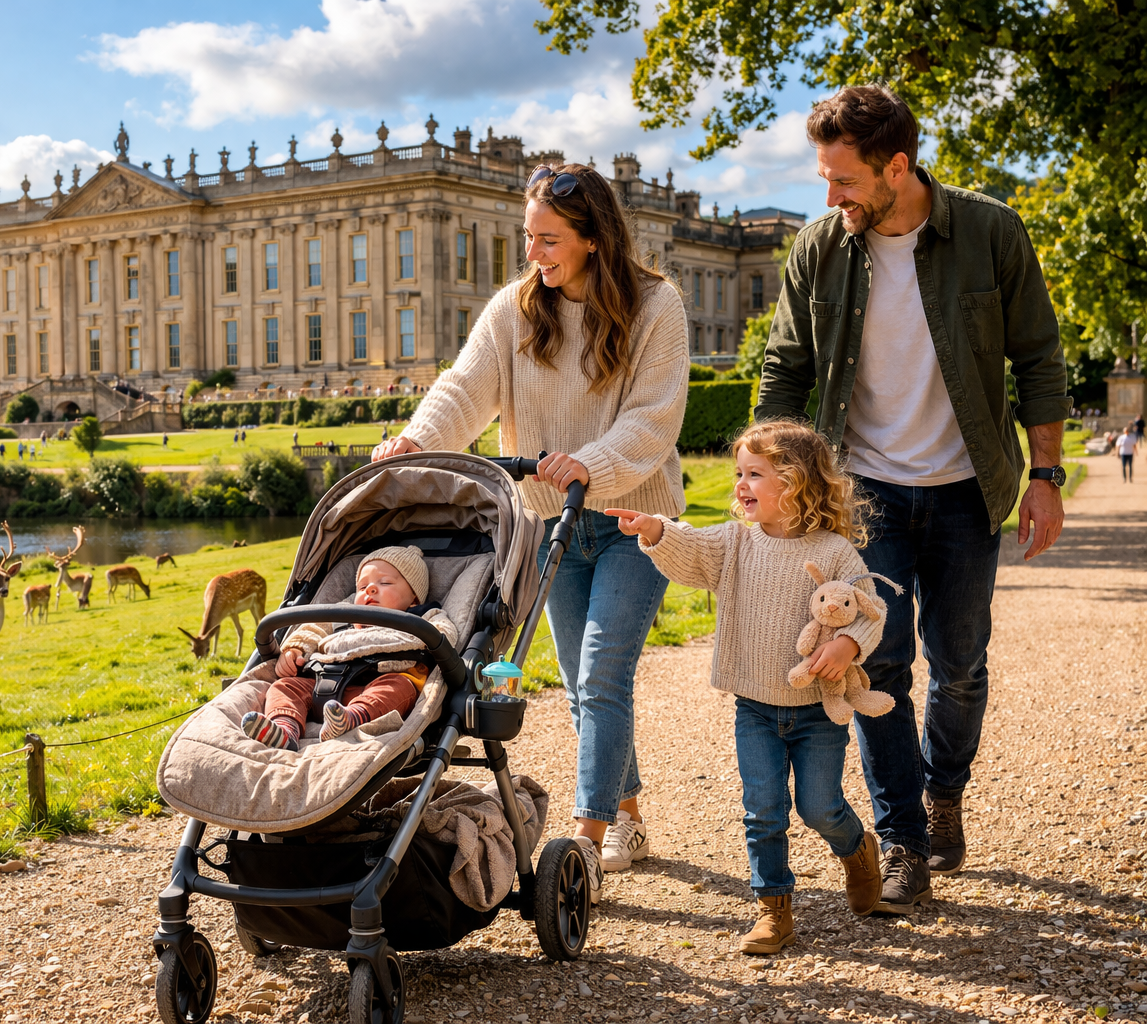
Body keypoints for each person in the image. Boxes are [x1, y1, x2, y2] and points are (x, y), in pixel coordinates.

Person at [755, 85, 1070, 911]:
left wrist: (1044, 477)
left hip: (969, 487)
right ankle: (902, 839)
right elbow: (786, 365)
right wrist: (765, 474)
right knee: (877, 659)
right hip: (866, 496)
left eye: (845, 181)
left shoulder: (992, 230)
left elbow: (1039, 357)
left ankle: (945, 794)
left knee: (960, 665)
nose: (831, 198)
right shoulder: (819, 246)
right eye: (825, 179)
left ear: (898, 167)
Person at [371, 161, 688, 901]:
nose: (533, 254)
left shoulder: (655, 305)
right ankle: (632, 812)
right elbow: (465, 386)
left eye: (547, 239)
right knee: (583, 688)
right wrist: (416, 440)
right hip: (549, 523)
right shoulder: (516, 309)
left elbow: (653, 417)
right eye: (528, 238)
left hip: (633, 518)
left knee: (603, 674)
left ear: (592, 239)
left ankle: (588, 835)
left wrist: (591, 464)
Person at [611, 420, 889, 952]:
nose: (740, 483)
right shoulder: (737, 541)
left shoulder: (833, 551)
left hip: (816, 709)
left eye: (754, 474)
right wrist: (655, 531)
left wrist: (847, 645)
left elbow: (869, 610)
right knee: (762, 809)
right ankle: (772, 908)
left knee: (818, 807)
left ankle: (857, 850)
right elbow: (691, 550)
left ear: (797, 483)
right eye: (739, 472)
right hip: (755, 709)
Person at [241, 547, 457, 749]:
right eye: (363, 587)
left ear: (414, 598)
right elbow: (313, 627)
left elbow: (446, 634)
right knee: (284, 687)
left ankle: (351, 719)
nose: (371, 589)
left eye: (385, 583)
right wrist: (294, 650)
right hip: (322, 681)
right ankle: (285, 730)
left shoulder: (422, 616)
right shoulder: (343, 614)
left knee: (400, 687)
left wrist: (430, 637)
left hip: (382, 679)